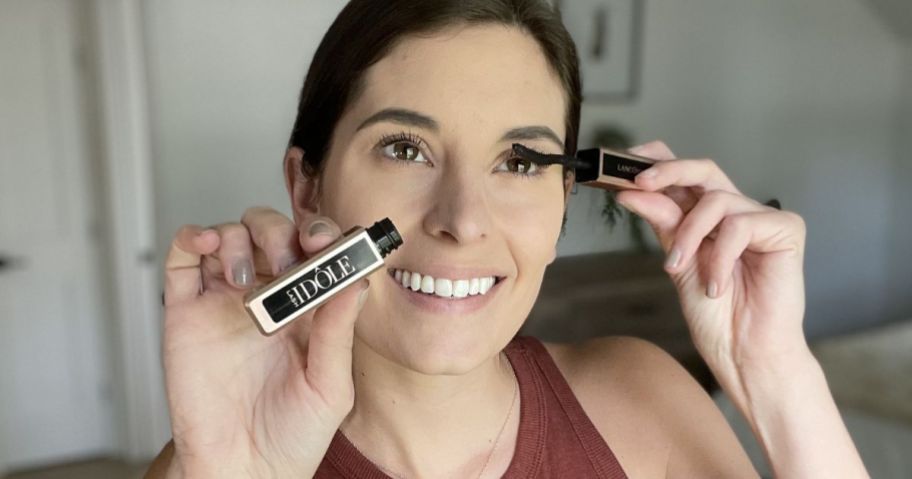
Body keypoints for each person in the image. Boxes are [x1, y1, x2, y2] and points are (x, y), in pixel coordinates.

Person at [146, 1, 869, 477]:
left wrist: (775, 372)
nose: (463, 219)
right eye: (404, 148)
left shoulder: (642, 403)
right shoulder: (217, 454)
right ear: (308, 186)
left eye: (520, 161)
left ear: (561, 205)